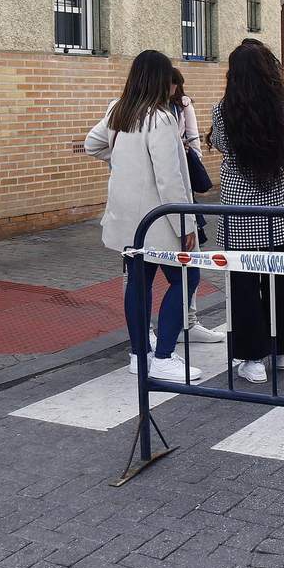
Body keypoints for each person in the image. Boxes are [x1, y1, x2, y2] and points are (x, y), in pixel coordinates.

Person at [85, 51, 201, 384]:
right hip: (157, 219)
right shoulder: (161, 118)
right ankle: (163, 356)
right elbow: (170, 179)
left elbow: (93, 145)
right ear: (159, 79)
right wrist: (185, 224)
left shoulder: (118, 109)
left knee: (139, 284)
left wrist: (125, 160)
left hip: (126, 217)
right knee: (186, 280)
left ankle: (139, 355)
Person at [210, 39, 284, 384]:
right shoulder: (279, 106)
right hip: (276, 205)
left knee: (244, 285)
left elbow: (220, 144)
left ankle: (252, 360)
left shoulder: (222, 109)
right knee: (280, 279)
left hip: (238, 205)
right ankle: (283, 351)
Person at [170, 68, 221, 345]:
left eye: (176, 84)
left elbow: (194, 140)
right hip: (162, 196)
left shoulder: (183, 105)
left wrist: (191, 164)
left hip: (183, 188)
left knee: (191, 257)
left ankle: (189, 322)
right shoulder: (134, 108)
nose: (173, 89)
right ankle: (151, 334)